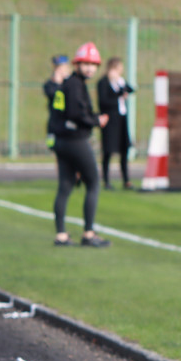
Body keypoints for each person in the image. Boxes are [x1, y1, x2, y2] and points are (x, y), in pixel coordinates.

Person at [48, 41, 111, 248]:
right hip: (75, 140)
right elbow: (76, 114)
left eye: (93, 64)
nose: (90, 68)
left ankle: (61, 235)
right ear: (77, 64)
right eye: (85, 63)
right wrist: (96, 121)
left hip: (62, 141)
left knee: (65, 186)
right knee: (93, 182)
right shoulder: (75, 84)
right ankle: (88, 233)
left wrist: (92, 118)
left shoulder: (71, 83)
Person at [97, 57, 135, 190]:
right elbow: (103, 102)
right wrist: (118, 94)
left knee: (124, 149)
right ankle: (106, 180)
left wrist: (120, 85)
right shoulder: (103, 83)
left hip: (121, 119)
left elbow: (131, 89)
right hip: (110, 120)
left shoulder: (119, 81)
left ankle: (126, 180)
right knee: (108, 150)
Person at [43, 55, 72, 151]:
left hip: (69, 120)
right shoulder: (50, 84)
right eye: (57, 67)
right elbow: (51, 94)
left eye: (61, 67)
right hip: (55, 121)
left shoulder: (72, 82)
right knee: (54, 146)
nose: (59, 70)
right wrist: (57, 83)